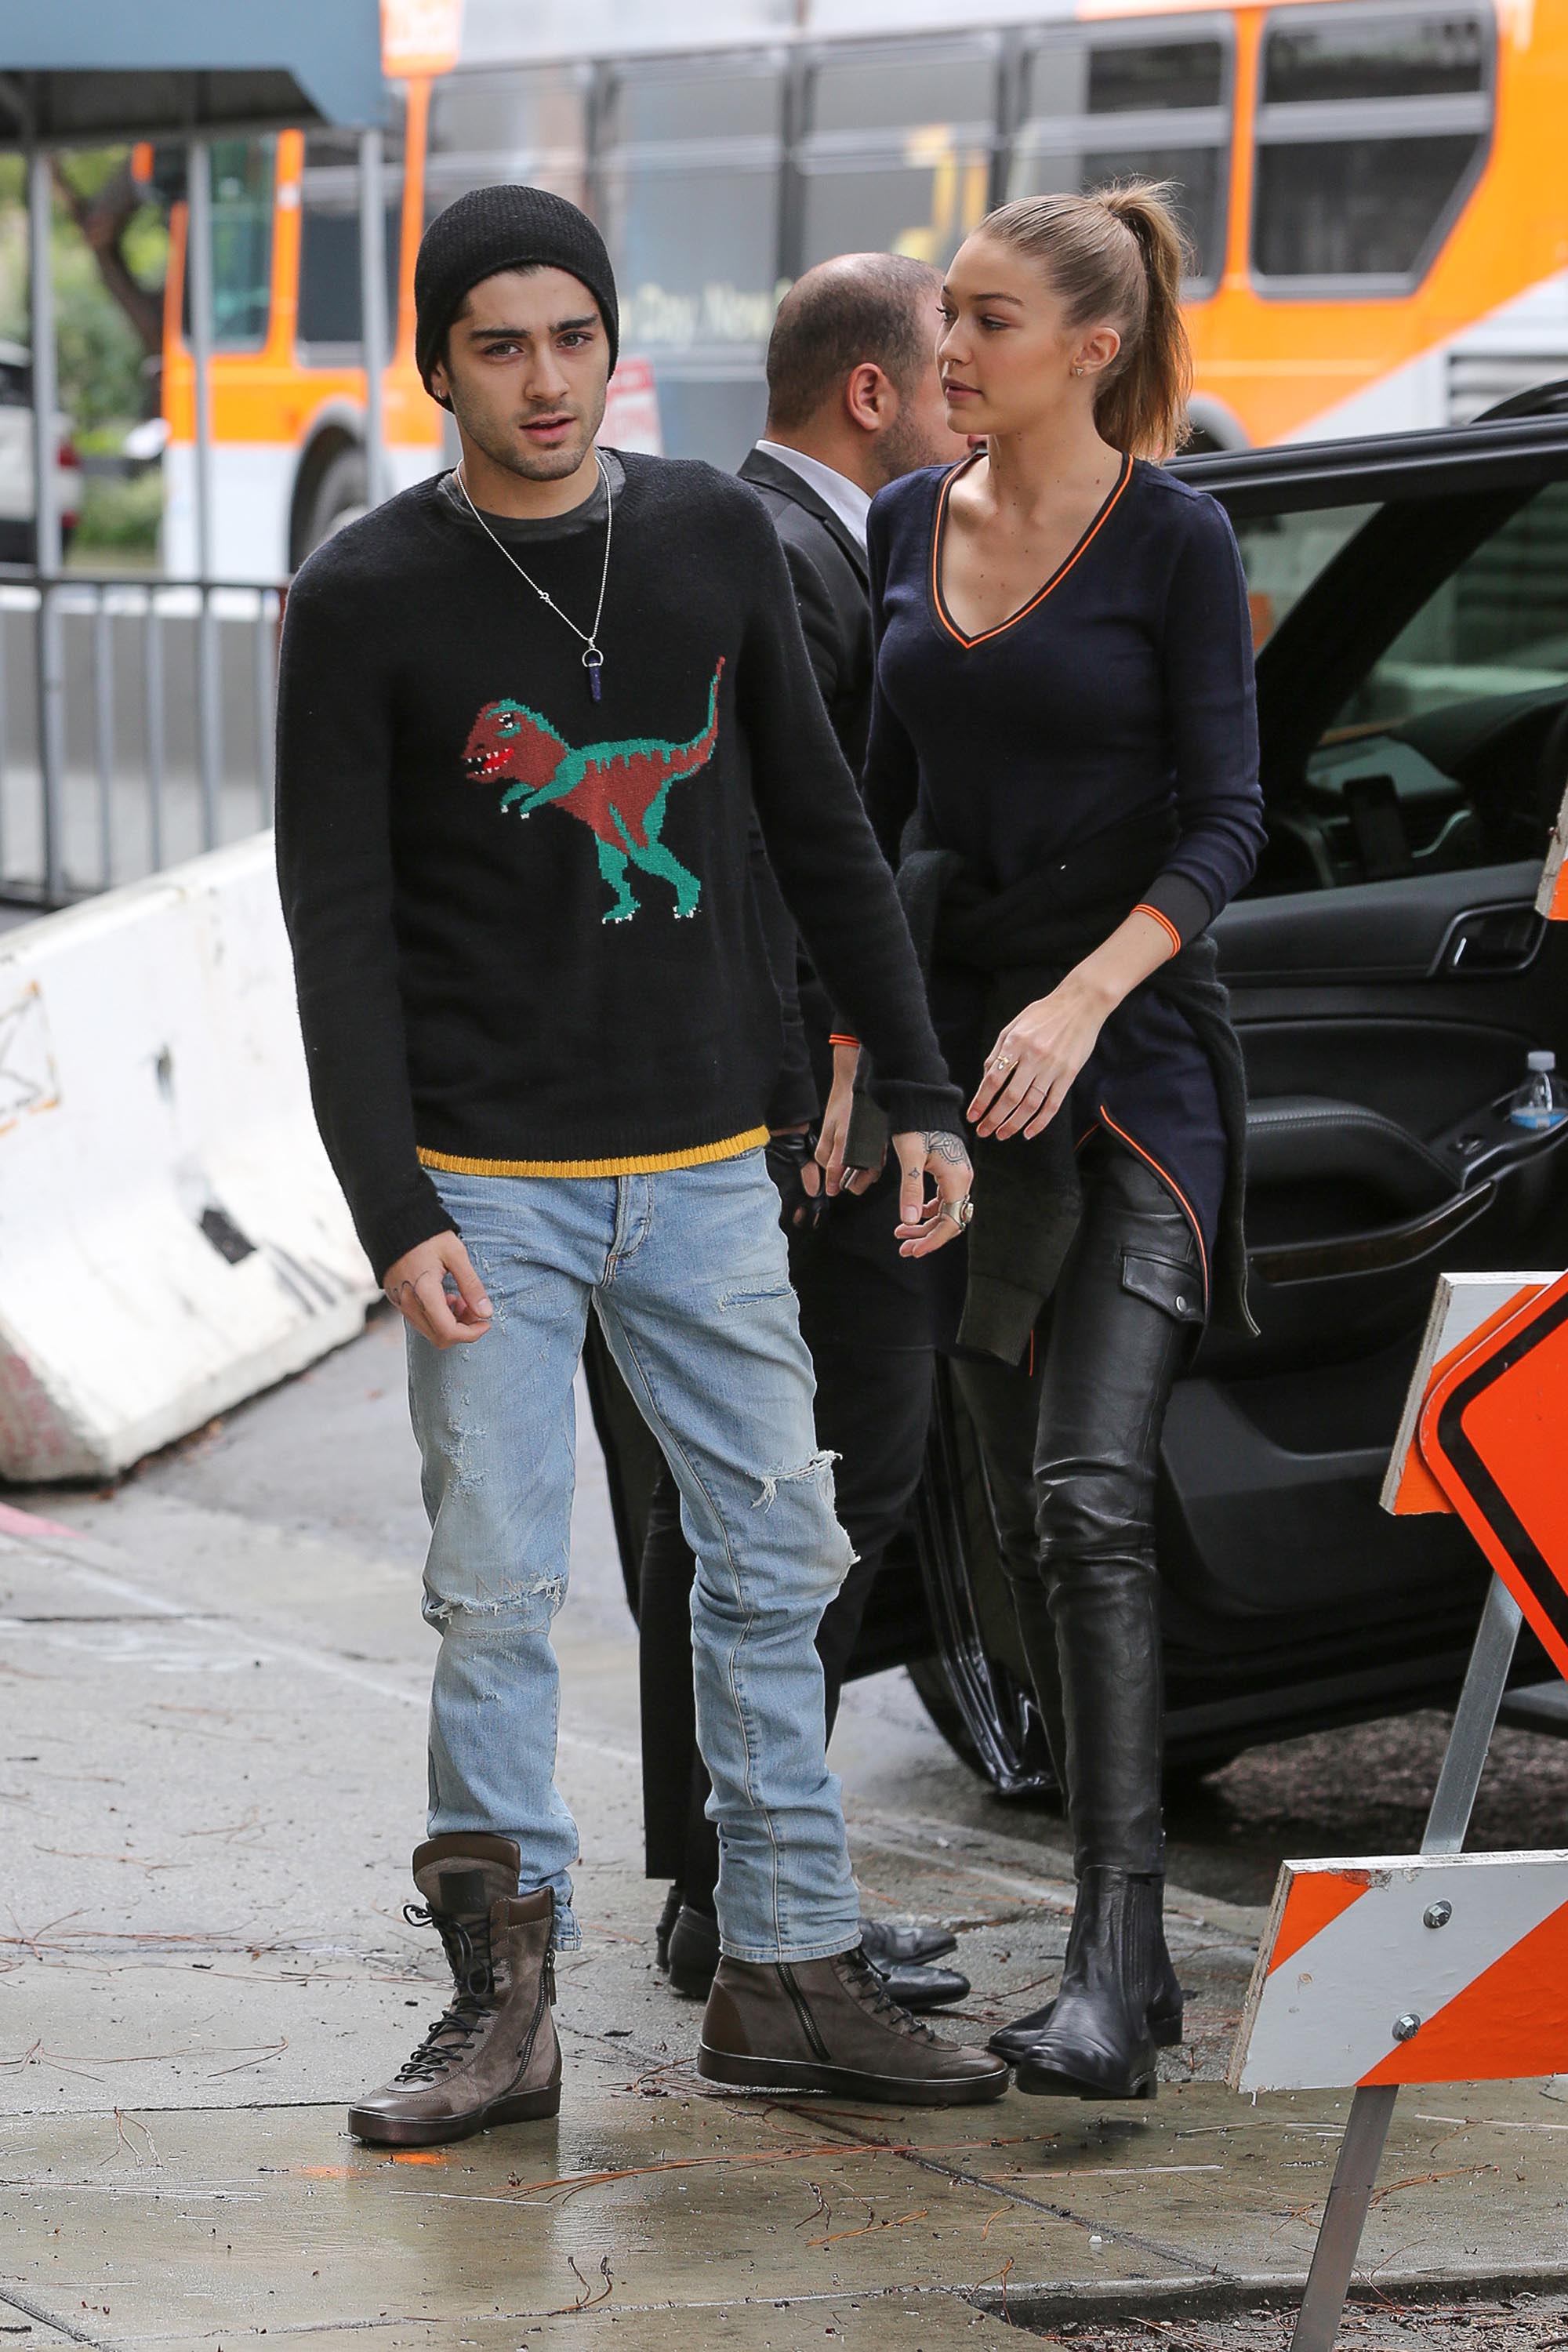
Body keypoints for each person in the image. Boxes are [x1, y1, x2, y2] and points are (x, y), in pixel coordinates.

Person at [274, 183, 1009, 2147]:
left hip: (706, 1171)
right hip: (485, 1192)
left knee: (776, 1560)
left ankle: (786, 1968)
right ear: (437, 364)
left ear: (619, 349)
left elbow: (823, 833)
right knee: (497, 1594)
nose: (541, 379)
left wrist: (919, 1093)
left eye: (571, 338)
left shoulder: (700, 537)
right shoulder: (363, 597)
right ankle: (503, 2016)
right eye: (498, 343)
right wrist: (391, 1207)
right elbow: (336, 926)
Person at [858, 183, 1265, 2103]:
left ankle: (1121, 1958)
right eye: (948, 313)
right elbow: (869, 822)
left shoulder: (1176, 541)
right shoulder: (891, 527)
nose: (949, 349)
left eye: (990, 321)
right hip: (959, 1091)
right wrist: (863, 1054)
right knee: (1010, 1525)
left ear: (1091, 350)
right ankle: (1112, 1954)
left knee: (1096, 1494)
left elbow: (1230, 825)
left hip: (1131, 1069)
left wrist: (1083, 998)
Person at [638, 253, 972, 2013]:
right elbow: (766, 855)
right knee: (821, 1488)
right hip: (803, 1130)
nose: (963, 396)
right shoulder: (784, 555)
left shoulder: (805, 544)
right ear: (870, 392)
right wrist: (827, 1076)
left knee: (773, 1499)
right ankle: (747, 1889)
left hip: (786, 1109)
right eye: (947, 365)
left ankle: (735, 1881)